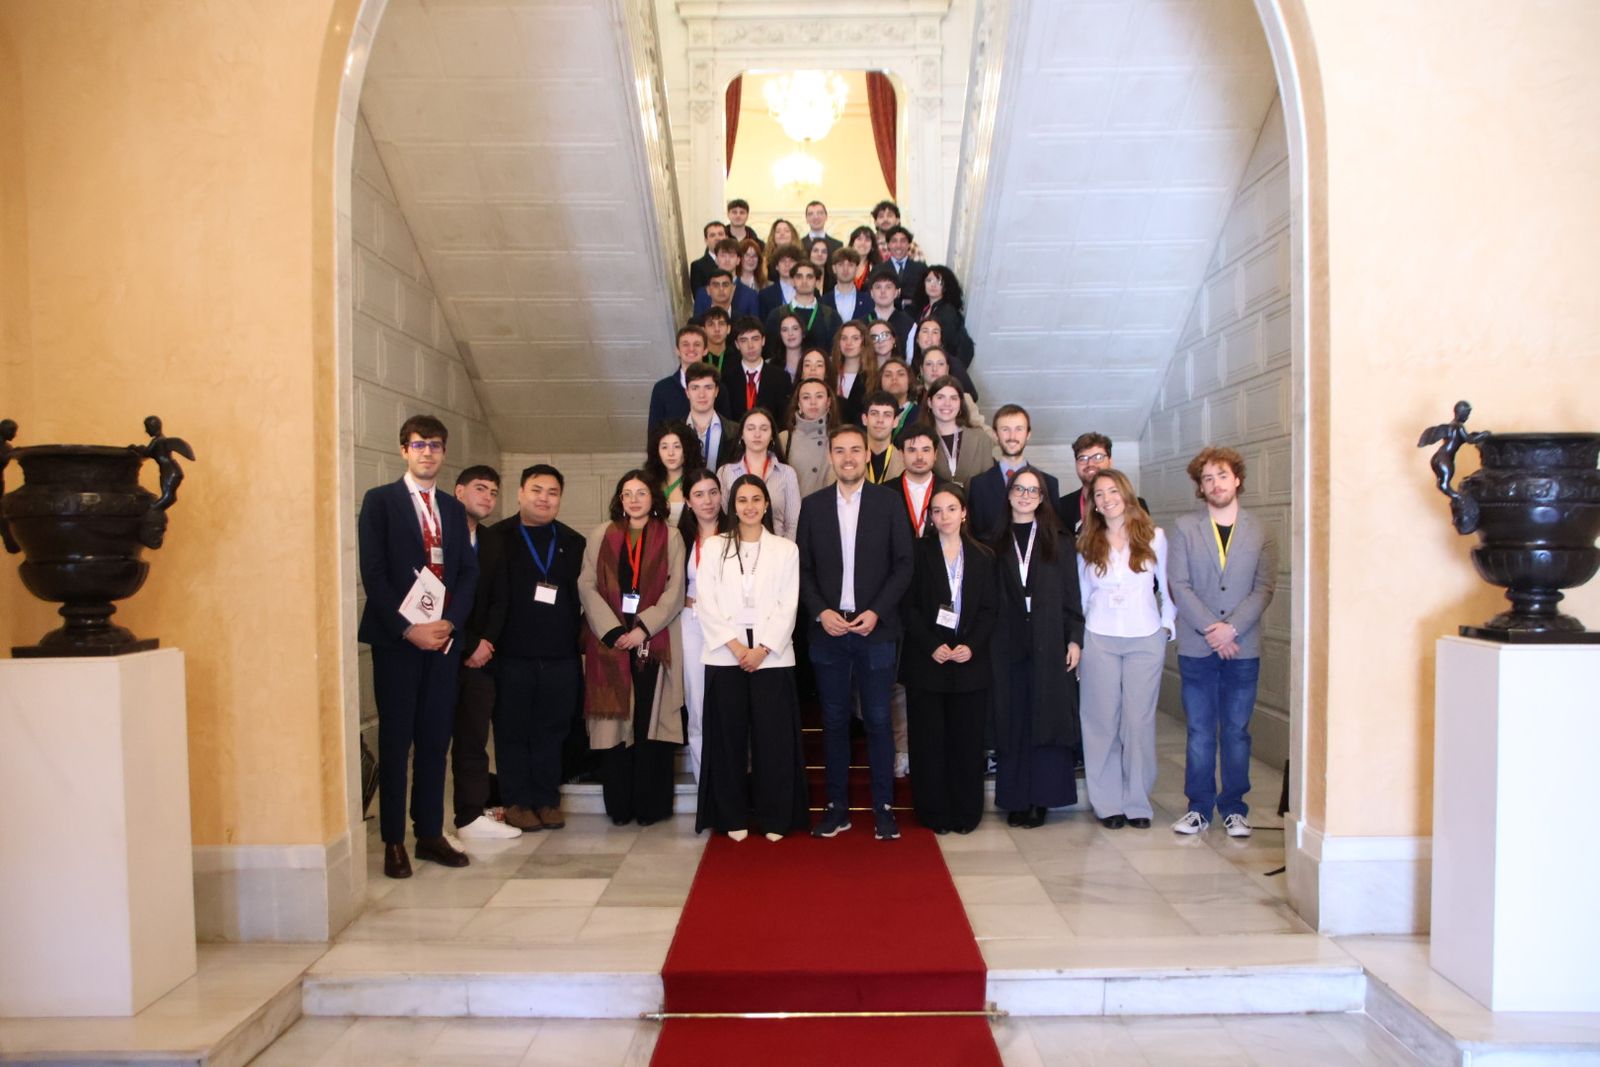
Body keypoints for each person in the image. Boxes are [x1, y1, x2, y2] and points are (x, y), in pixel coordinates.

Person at [358, 415, 479, 878]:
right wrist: (409, 628)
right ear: (404, 450)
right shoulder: (381, 502)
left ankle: (429, 833)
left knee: (434, 741)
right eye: (418, 444)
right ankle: (393, 841)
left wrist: (449, 622)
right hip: (399, 642)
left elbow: (466, 571)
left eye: (435, 445)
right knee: (396, 741)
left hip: (444, 641)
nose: (427, 452)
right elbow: (374, 572)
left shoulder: (450, 507)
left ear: (444, 453)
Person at [797, 425, 914, 841]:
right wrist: (821, 612)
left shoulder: (889, 502)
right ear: (830, 456)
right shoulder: (812, 507)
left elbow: (904, 564)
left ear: (868, 455)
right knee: (832, 721)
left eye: (855, 450)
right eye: (840, 450)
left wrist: (876, 612)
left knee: (880, 719)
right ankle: (837, 808)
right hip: (829, 630)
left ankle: (884, 807)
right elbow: (804, 569)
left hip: (876, 631)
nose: (847, 457)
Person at [1167, 447, 1278, 838]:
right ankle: (1199, 807)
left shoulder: (1260, 530)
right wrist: (1213, 629)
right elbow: (1179, 585)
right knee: (1199, 731)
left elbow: (1264, 588)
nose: (1215, 483)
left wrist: (1232, 629)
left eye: (1222, 475)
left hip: (1242, 647)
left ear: (1237, 479)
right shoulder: (1184, 527)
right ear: (1200, 486)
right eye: (1207, 478)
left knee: (1235, 731)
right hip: (1198, 647)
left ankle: (1234, 807)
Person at [694, 474, 809, 841]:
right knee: (727, 741)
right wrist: (736, 647)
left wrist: (761, 649)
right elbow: (706, 603)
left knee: (772, 740)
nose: (749, 506)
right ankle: (732, 817)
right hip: (725, 655)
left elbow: (788, 604)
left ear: (766, 504)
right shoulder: (714, 547)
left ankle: (776, 817)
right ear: (732, 505)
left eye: (756, 499)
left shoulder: (785, 549)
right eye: (742, 500)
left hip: (771, 658)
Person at [578, 471, 687, 826]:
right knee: (615, 728)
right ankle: (620, 806)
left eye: (642, 492)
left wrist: (642, 628)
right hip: (609, 643)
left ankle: (650, 807)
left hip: (653, 642)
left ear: (654, 498)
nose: (635, 499)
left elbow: (675, 590)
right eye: (628, 494)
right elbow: (587, 584)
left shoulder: (670, 536)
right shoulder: (601, 534)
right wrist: (612, 631)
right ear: (620, 499)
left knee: (649, 726)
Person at [484, 464, 587, 834]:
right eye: (537, 490)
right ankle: (516, 801)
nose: (544, 498)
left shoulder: (573, 542)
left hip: (559, 655)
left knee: (552, 730)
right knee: (512, 729)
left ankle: (546, 799)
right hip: (511, 654)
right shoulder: (496, 537)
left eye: (553, 492)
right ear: (520, 493)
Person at [1076, 468, 1175, 830]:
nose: (1106, 499)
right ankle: (1107, 803)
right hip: (1099, 635)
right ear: (1093, 504)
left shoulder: (1155, 536)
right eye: (1099, 494)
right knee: (1100, 721)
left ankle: (1137, 802)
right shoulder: (1087, 539)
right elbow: (1083, 595)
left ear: (1126, 493)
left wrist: (1166, 627)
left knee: (1138, 722)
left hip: (1144, 636)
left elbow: (1166, 586)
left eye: (1112, 491)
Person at [990, 466, 1084, 829]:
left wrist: (1075, 638)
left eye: (1033, 491)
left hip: (1049, 639)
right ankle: (1015, 798)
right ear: (1009, 493)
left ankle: (1043, 798)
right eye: (1019, 489)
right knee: (1013, 718)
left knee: (1046, 715)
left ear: (1043, 498)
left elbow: (1072, 597)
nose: (1025, 496)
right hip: (1006, 642)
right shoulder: (992, 540)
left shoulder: (1059, 540)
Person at [902, 484, 997, 834]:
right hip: (928, 661)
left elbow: (990, 609)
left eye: (951, 509)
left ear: (964, 512)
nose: (944, 516)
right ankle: (933, 812)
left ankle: (965, 812)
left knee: (966, 742)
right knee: (929, 742)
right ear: (930, 516)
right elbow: (907, 607)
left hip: (970, 662)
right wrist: (931, 644)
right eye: (937, 510)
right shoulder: (917, 552)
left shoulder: (984, 556)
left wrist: (971, 645)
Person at [449, 465, 520, 841]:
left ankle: (471, 816)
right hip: (441, 652)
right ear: (459, 492)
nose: (487, 498)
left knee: (474, 739)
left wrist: (484, 643)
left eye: (493, 492)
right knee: (431, 742)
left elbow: (500, 600)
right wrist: (465, 643)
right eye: (480, 489)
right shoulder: (439, 536)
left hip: (482, 657)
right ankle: (429, 824)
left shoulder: (493, 541)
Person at [882, 422, 940, 776]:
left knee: (933, 676)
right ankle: (901, 749)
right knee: (897, 681)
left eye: (925, 449)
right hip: (895, 599)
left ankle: (930, 748)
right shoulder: (884, 493)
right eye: (911, 449)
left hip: (939, 598)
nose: (918, 456)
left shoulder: (951, 492)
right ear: (901, 453)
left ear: (935, 453)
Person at [678, 469, 723, 783]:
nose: (707, 501)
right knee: (698, 702)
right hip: (692, 623)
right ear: (687, 501)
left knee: (729, 700)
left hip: (729, 626)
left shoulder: (738, 531)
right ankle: (705, 781)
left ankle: (734, 774)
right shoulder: (679, 538)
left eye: (713, 492)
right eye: (699, 494)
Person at [967, 404, 1062, 539]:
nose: (1012, 436)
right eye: (1005, 429)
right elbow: (976, 536)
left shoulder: (1049, 483)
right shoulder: (979, 485)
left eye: (1019, 429)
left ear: (1028, 434)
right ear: (995, 434)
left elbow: (1054, 535)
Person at [718, 407, 801, 540]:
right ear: (742, 435)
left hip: (777, 550)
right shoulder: (725, 472)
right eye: (751, 428)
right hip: (738, 547)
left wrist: (785, 551)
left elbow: (792, 523)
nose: (757, 434)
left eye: (764, 429)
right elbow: (724, 517)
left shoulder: (787, 473)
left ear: (772, 435)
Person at [1056, 432, 1147, 534]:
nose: (1090, 463)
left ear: (1110, 461)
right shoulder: (1060, 506)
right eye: (1083, 458)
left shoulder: (1137, 505)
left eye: (1098, 457)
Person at [924, 374, 995, 486]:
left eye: (953, 398)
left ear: (961, 404)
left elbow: (989, 485)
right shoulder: (920, 440)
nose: (947, 403)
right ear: (929, 402)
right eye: (940, 397)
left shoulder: (981, 438)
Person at [779, 375, 839, 499]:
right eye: (806, 397)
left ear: (828, 402)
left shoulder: (841, 438)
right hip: (796, 514)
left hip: (830, 513)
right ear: (799, 404)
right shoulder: (785, 438)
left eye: (819, 396)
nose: (813, 402)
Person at [646, 325, 710, 438]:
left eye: (697, 344)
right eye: (685, 345)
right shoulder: (661, 389)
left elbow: (727, 432)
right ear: (677, 350)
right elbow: (654, 433)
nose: (691, 349)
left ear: (705, 350)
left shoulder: (718, 387)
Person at [764, 262, 840, 356]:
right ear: (792, 281)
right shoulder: (777, 315)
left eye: (809, 277)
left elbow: (835, 353)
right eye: (799, 277)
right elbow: (770, 351)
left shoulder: (831, 316)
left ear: (817, 282)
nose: (804, 281)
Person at [722, 315, 790, 419]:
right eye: (744, 340)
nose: (750, 346)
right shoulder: (727, 379)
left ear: (763, 340)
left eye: (755, 339)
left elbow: (784, 418)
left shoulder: (781, 378)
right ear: (736, 344)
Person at [911, 265, 976, 366]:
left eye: (939, 282)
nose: (933, 285)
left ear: (945, 287)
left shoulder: (947, 312)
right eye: (929, 280)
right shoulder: (925, 308)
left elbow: (950, 347)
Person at [645, 420, 705, 523]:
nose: (670, 453)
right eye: (664, 447)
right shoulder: (648, 483)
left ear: (687, 449)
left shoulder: (700, 483)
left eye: (677, 446)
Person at [683, 361, 739, 469]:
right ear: (687, 392)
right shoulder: (674, 431)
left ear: (717, 391)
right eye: (695, 388)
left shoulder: (736, 432)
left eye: (708, 387)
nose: (702, 394)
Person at [831, 321, 876, 425]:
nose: (848, 343)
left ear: (864, 342)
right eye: (844, 338)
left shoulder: (872, 377)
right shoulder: (830, 373)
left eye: (855, 338)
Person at [862, 267, 915, 354]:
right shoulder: (861, 324)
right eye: (878, 287)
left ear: (897, 292)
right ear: (871, 293)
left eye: (888, 287)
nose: (883, 291)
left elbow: (910, 359)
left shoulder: (909, 324)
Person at [862, 391, 906, 485]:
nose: (880, 420)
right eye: (874, 413)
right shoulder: (850, 458)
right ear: (865, 419)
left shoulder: (905, 462)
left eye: (887, 415)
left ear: (895, 422)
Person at [883, 226, 926, 313]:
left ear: (909, 244)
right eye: (894, 241)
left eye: (903, 241)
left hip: (915, 318)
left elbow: (924, 297)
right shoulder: (879, 269)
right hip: (886, 319)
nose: (898, 245)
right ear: (888, 245)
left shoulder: (921, 268)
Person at [874, 357, 918, 438]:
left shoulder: (921, 415)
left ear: (909, 380)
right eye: (888, 375)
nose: (894, 378)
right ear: (880, 381)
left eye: (900, 374)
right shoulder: (872, 414)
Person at [758, 243, 804, 318]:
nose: (787, 264)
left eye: (791, 261)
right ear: (776, 266)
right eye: (783, 261)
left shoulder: (809, 291)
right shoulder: (765, 295)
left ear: (798, 265)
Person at [694, 267, 758, 321]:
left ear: (732, 289)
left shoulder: (743, 321)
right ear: (708, 290)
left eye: (725, 285)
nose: (721, 289)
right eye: (716, 285)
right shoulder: (699, 321)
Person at [689, 220, 727, 293]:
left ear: (726, 237)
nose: (717, 238)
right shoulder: (698, 266)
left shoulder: (736, 261)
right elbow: (699, 296)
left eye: (720, 234)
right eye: (712, 235)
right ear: (706, 240)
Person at [829, 247, 864, 319]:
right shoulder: (822, 302)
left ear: (856, 269)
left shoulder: (868, 301)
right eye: (841, 264)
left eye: (850, 265)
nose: (845, 269)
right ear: (834, 269)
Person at [696, 306, 733, 374]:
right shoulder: (697, 358)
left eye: (721, 324)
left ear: (728, 329)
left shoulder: (738, 358)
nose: (717, 329)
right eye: (711, 324)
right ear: (703, 330)